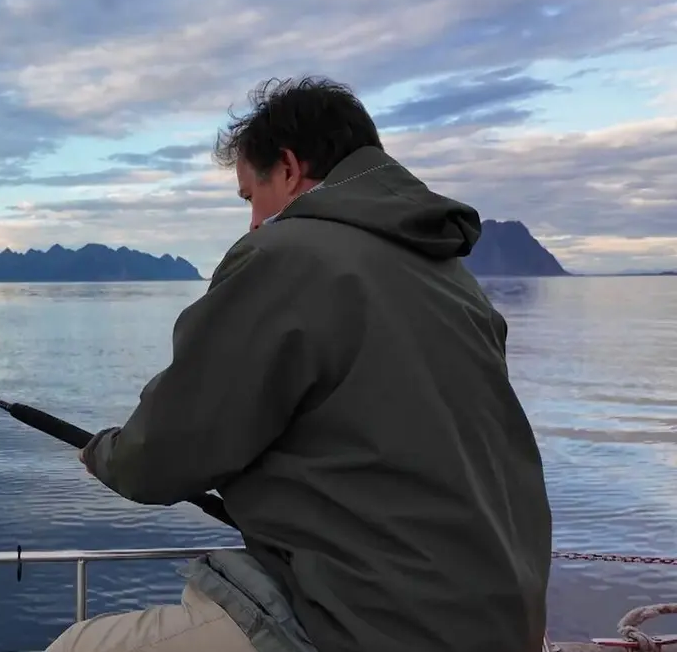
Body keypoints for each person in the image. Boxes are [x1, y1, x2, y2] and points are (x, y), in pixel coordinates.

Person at [45, 76, 553, 652]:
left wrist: (103, 453)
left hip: (376, 625)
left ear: (287, 168)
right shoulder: (452, 278)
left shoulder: (287, 255)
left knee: (76, 646)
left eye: (248, 197)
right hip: (505, 622)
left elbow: (164, 452)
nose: (253, 222)